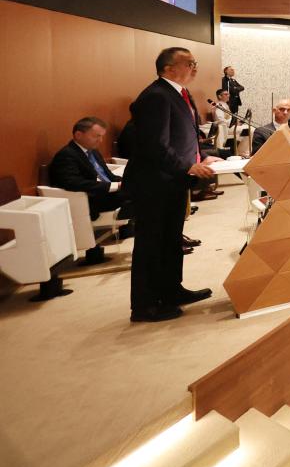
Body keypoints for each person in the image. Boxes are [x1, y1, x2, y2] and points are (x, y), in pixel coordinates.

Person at [126, 47, 217, 322]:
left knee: (170, 241)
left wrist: (201, 156)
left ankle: (171, 291)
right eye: (189, 63)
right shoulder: (156, 96)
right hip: (154, 185)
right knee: (151, 244)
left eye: (195, 63)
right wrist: (187, 166)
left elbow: (182, 138)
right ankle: (144, 306)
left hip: (173, 182)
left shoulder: (177, 95)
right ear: (168, 69)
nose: (195, 68)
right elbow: (155, 145)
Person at [48, 116, 128, 219]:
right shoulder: (66, 155)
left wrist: (127, 182)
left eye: (102, 136)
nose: (101, 140)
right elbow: (73, 182)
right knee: (140, 196)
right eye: (96, 136)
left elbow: (109, 176)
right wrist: (114, 186)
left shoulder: (93, 151)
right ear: (78, 135)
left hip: (108, 193)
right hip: (91, 199)